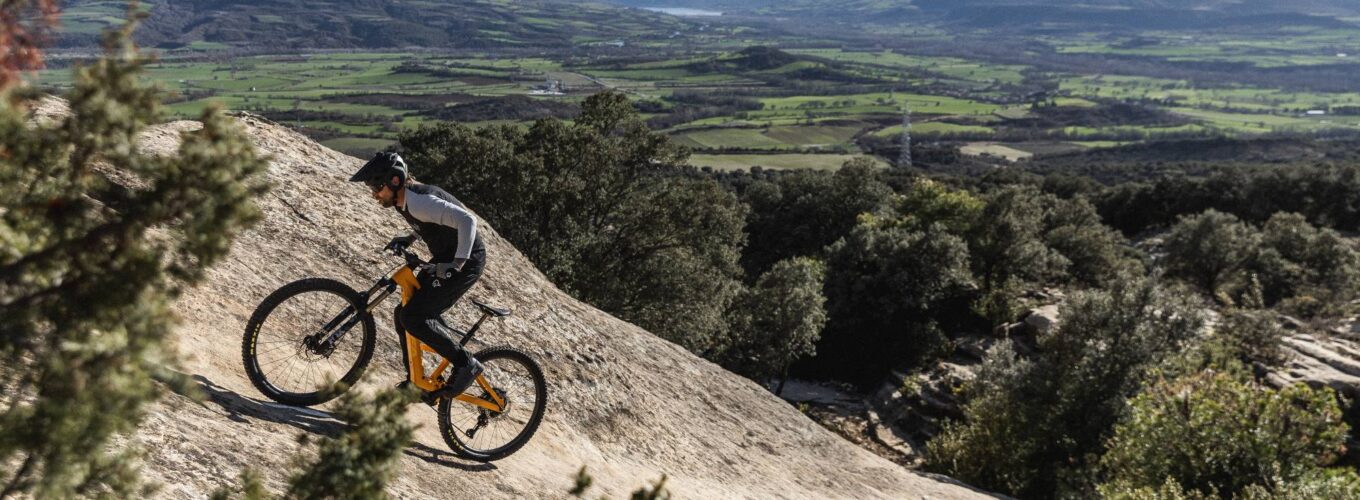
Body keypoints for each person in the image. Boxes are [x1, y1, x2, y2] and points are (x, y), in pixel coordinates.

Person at [348, 151, 486, 401]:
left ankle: (466, 364)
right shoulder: (404, 200)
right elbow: (431, 223)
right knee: (403, 313)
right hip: (447, 256)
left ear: (395, 181)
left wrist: (457, 264)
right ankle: (415, 381)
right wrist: (409, 238)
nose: (374, 194)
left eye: (377, 188)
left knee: (414, 316)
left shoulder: (420, 202)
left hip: (466, 261)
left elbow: (468, 221)